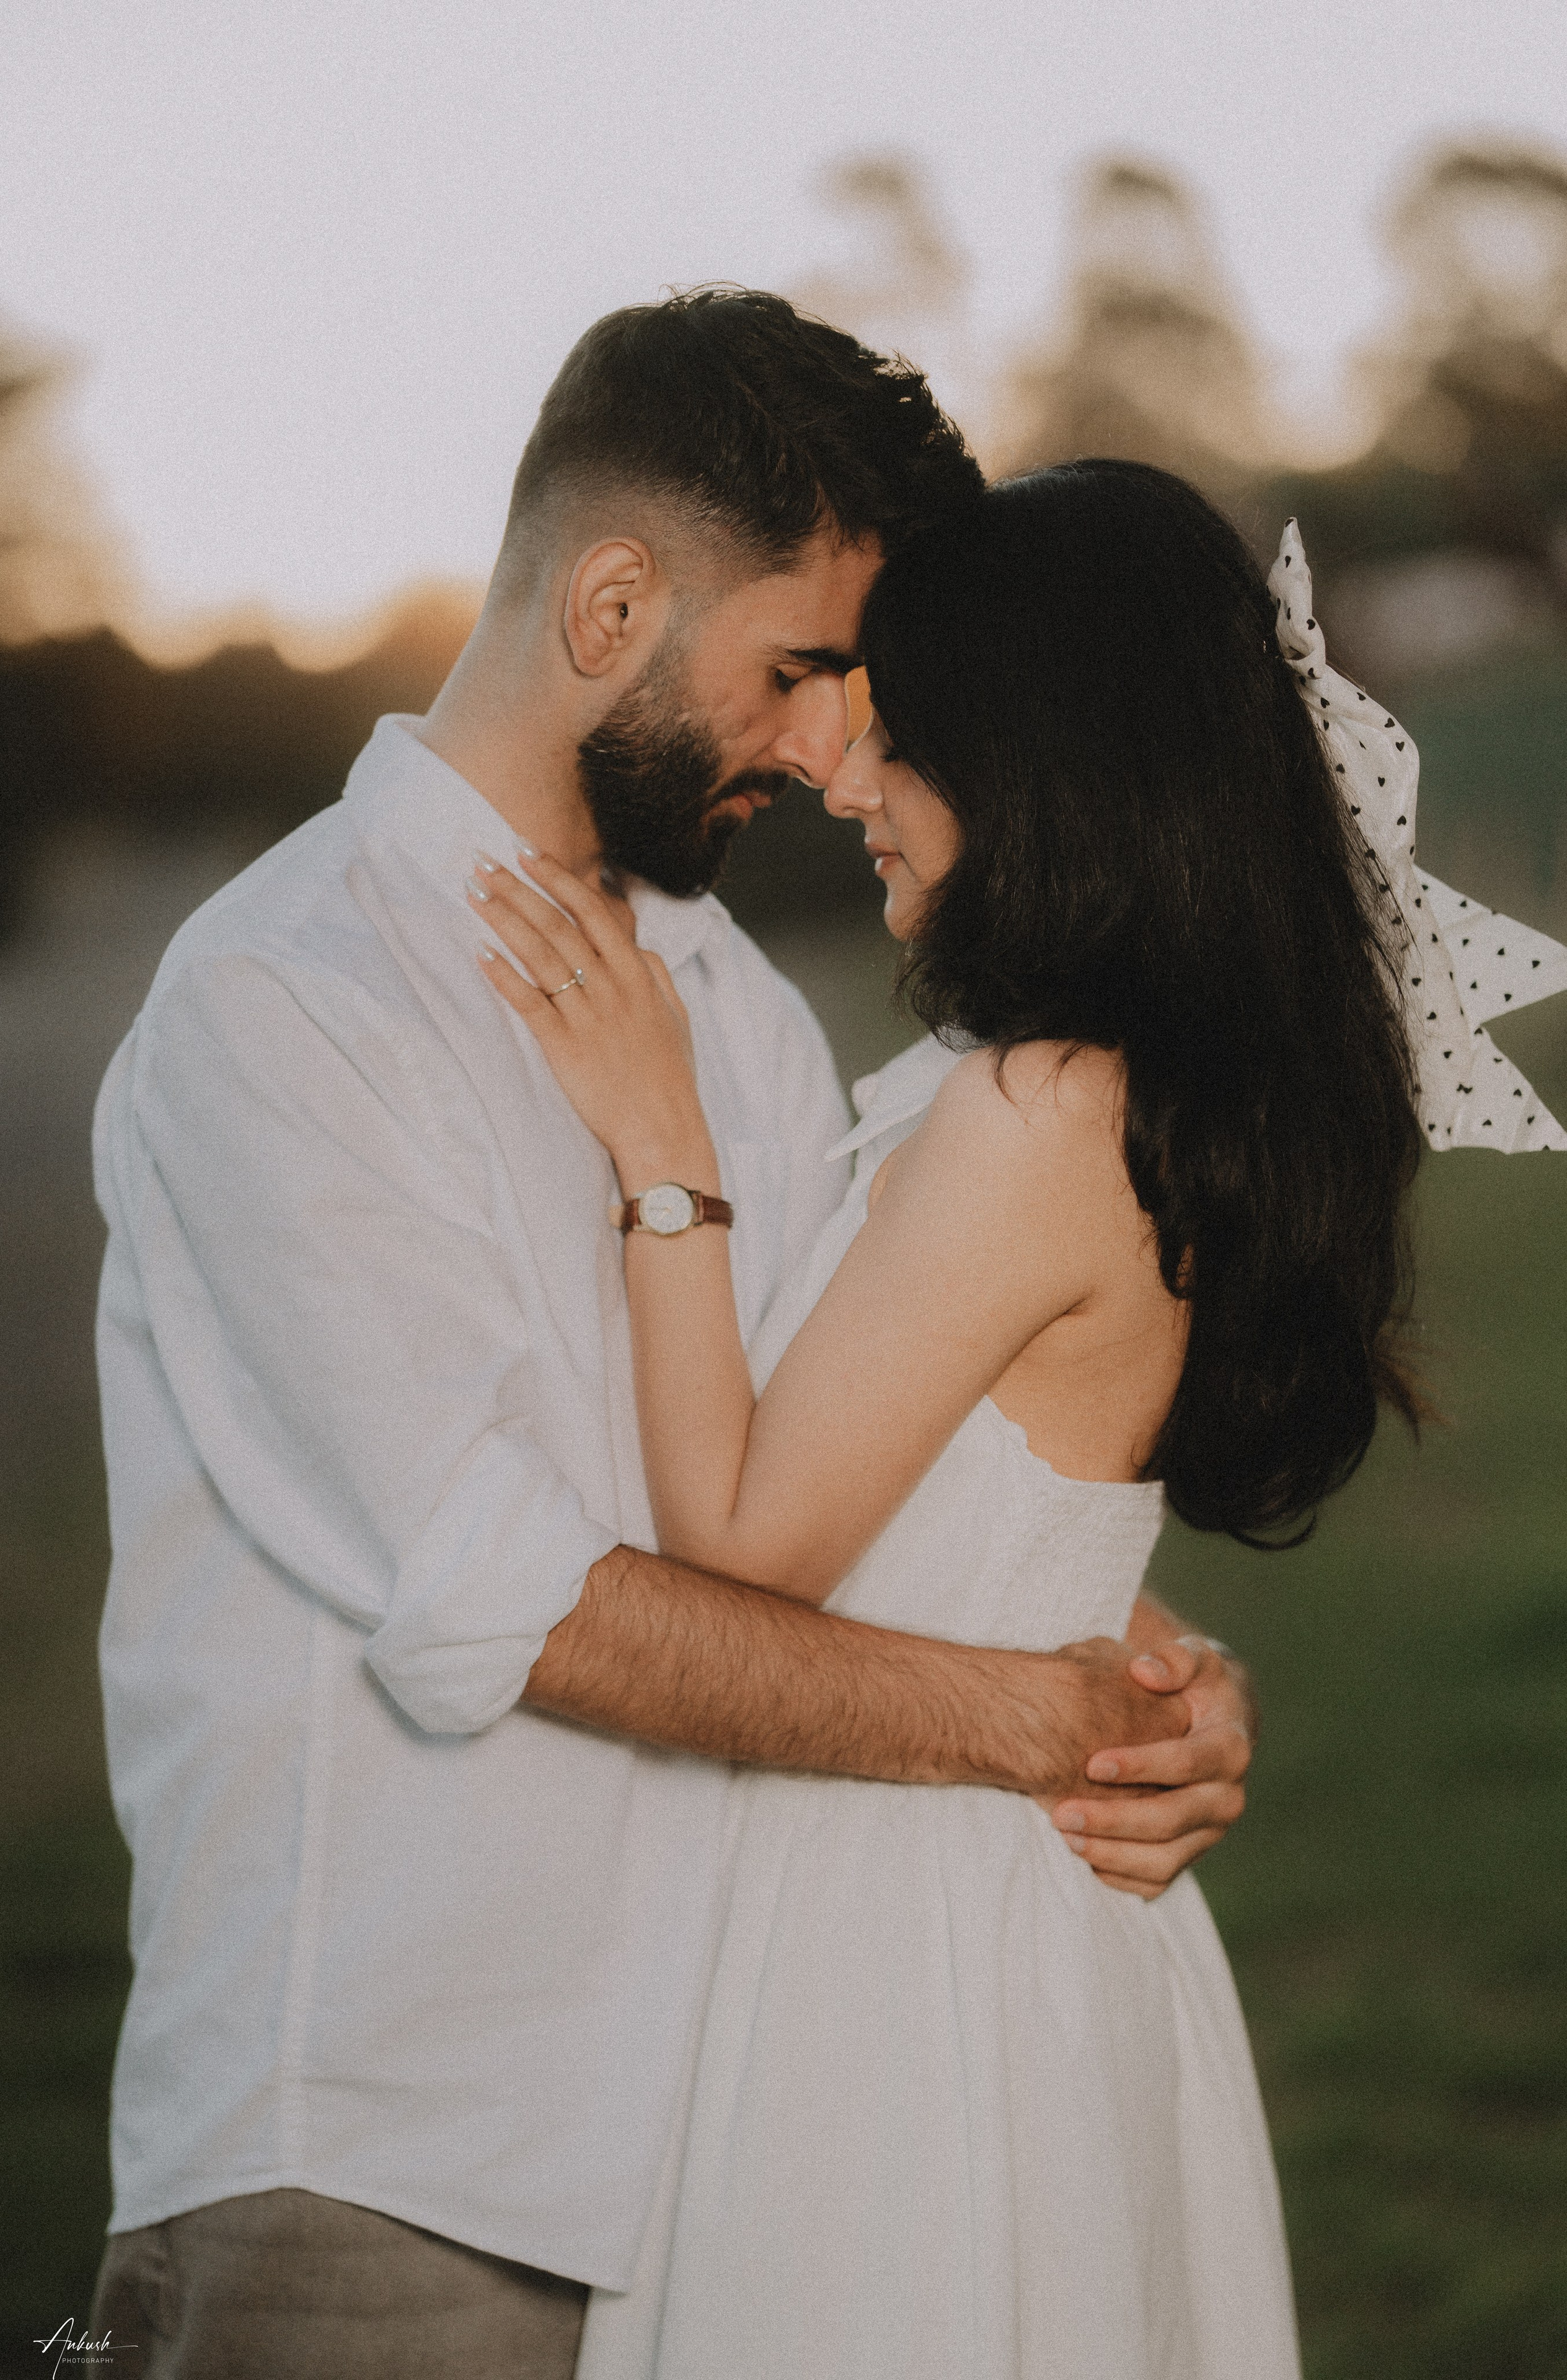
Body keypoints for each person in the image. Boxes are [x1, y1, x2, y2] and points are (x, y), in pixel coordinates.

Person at [88, 300, 1256, 2380]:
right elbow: (515, 1615)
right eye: (801, 669)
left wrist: (1150, 1672)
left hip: (739, 2141)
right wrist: (1029, 1719)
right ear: (615, 598)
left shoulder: (729, 1008)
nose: (829, 752)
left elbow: (864, 1457)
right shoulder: (282, 1004)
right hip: (399, 2156)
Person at [467, 459, 1439, 2379]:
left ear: (1043, 770)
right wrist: (1169, 1663)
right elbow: (1011, 1520)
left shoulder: (1035, 1115)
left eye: (897, 735)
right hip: (996, 1900)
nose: (842, 781)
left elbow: (745, 1547)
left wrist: (664, 1154)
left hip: (906, 1940)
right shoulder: (1092, 1094)